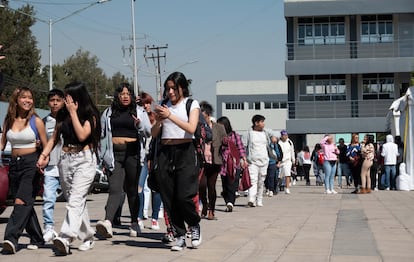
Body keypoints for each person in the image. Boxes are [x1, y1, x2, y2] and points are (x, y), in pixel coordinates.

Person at [37, 81, 101, 255]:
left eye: (68, 97)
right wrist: (44, 155)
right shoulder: (62, 114)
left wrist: (73, 113)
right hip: (65, 159)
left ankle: (65, 237)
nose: (65, 100)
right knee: (76, 201)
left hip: (85, 160)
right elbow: (54, 138)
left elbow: (82, 135)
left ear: (77, 97)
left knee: (75, 200)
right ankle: (88, 237)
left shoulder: (91, 115)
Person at [151, 71, 202, 251]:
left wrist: (170, 116)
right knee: (169, 197)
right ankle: (180, 235)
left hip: (185, 151)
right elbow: (154, 133)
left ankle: (194, 224)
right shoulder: (163, 105)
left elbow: (191, 127)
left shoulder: (191, 104)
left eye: (174, 88)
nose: (170, 92)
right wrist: (158, 120)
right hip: (165, 152)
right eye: (168, 88)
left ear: (182, 88)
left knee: (184, 196)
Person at [96, 83, 151, 238]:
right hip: (114, 155)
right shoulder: (108, 113)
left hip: (133, 154)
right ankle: (108, 222)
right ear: (117, 96)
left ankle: (134, 222)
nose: (125, 96)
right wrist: (101, 158)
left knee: (132, 190)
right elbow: (101, 136)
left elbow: (148, 132)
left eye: (128, 93)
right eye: (122, 93)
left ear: (132, 96)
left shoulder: (139, 112)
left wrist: (139, 125)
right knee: (115, 189)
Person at [1, 87, 48, 254]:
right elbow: (2, 143)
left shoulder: (36, 121)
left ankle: (10, 238)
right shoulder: (9, 120)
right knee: (24, 203)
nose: (28, 100)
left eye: (30, 97)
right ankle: (37, 238)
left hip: (31, 164)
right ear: (16, 100)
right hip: (14, 164)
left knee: (21, 201)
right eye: (24, 97)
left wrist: (43, 159)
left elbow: (46, 144)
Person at [42, 89, 65, 243]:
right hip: (51, 167)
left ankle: (74, 230)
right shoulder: (44, 121)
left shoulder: (69, 119)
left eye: (58, 100)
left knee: (74, 201)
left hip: (68, 166)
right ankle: (48, 227)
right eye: (52, 100)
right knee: (48, 199)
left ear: (63, 101)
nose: (55, 103)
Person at [137, 92, 162, 230]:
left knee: (155, 188)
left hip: (154, 157)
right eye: (142, 103)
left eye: (147, 103)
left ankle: (154, 218)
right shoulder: (137, 117)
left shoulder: (155, 118)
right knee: (139, 187)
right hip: (141, 157)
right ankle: (139, 216)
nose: (145, 106)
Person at [217, 116, 247, 212]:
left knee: (233, 183)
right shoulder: (218, 136)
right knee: (225, 184)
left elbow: (241, 148)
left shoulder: (235, 135)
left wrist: (244, 159)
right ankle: (228, 201)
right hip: (223, 164)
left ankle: (231, 202)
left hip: (234, 163)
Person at [245, 115, 272, 206]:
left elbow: (274, 135)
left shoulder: (265, 133)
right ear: (256, 123)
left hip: (264, 161)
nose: (263, 124)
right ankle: (251, 199)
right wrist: (244, 158)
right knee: (253, 180)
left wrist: (273, 138)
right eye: (262, 122)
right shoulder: (249, 133)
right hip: (252, 161)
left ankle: (259, 199)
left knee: (261, 181)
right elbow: (244, 146)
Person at [278, 130, 295, 194]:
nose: (285, 137)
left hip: (287, 161)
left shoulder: (289, 142)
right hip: (280, 161)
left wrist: (293, 160)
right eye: (283, 135)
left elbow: (292, 151)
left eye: (286, 135)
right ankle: (278, 186)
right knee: (279, 176)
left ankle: (287, 188)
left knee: (287, 174)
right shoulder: (279, 142)